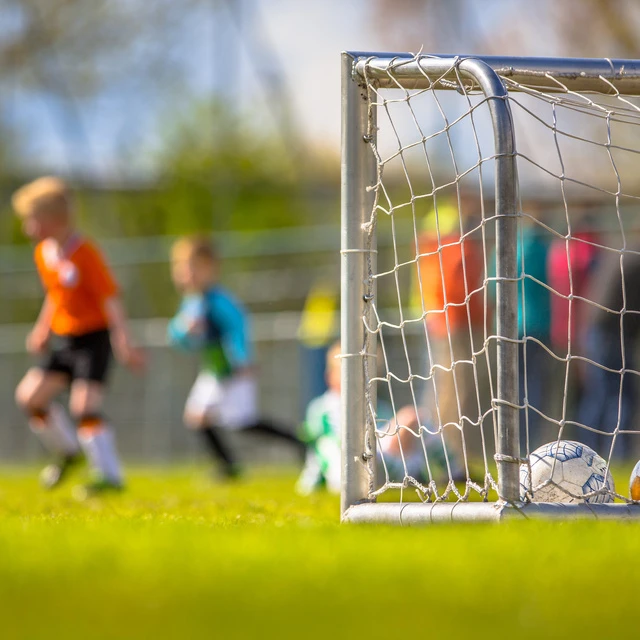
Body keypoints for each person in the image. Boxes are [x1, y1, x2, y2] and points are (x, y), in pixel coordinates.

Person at [12, 176, 143, 497]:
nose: (28, 228)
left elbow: (109, 298)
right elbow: (55, 295)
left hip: (94, 339)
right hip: (65, 339)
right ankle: (69, 452)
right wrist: (43, 329)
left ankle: (109, 476)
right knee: (30, 397)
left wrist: (122, 339)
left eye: (32, 220)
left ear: (54, 219)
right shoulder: (45, 253)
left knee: (84, 406)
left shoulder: (85, 252)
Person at [168, 235, 303, 478]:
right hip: (214, 371)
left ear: (209, 268)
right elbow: (180, 339)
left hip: (235, 370)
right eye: (180, 268)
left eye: (191, 268)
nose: (185, 274)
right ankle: (228, 466)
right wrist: (182, 332)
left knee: (243, 422)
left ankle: (298, 442)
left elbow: (238, 326)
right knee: (197, 417)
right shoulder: (191, 303)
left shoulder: (218, 301)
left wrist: (241, 360)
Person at [296, 341, 456, 495]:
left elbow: (392, 443)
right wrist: (311, 481)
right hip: (348, 468)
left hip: (388, 463)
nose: (361, 379)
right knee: (409, 418)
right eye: (351, 373)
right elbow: (320, 449)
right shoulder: (324, 408)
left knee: (417, 420)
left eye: (367, 373)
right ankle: (421, 473)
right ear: (330, 376)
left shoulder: (379, 408)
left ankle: (455, 474)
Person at [576, 245, 640, 459]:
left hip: (598, 330)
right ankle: (617, 452)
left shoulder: (618, 255)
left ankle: (585, 452)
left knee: (600, 395)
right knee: (618, 396)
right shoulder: (634, 261)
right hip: (612, 333)